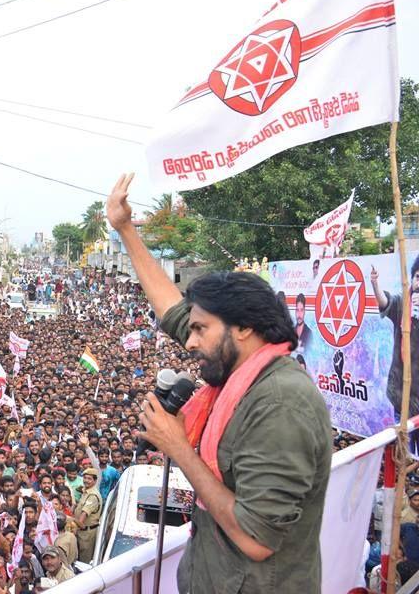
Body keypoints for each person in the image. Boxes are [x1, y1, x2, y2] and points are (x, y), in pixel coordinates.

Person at [107, 172, 333, 592]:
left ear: (244, 327)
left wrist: (177, 447)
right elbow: (172, 310)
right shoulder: (237, 376)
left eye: (199, 330)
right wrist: (124, 229)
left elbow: (256, 538)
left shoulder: (280, 403)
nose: (188, 342)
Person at [372, 257, 419, 422]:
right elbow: (385, 302)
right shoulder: (402, 304)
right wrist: (375, 285)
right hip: (401, 395)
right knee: (403, 444)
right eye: (418, 277)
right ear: (412, 279)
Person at [72, 468, 102, 563]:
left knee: (84, 561)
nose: (86, 481)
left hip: (87, 534)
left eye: (89, 479)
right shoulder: (86, 491)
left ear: (95, 480)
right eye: (85, 478)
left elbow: (82, 519)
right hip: (82, 532)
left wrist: (69, 520)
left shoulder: (92, 496)